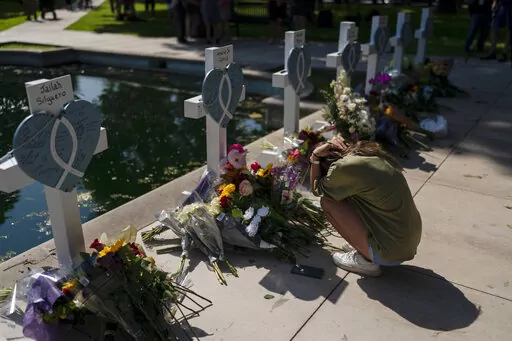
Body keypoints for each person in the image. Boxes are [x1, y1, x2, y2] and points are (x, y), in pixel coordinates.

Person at [309, 136, 422, 277]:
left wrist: (314, 158)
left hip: (391, 252)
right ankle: (365, 245)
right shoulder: (368, 154)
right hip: (407, 242)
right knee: (346, 196)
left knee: (328, 202)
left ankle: (367, 259)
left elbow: (317, 189)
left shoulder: (344, 167)